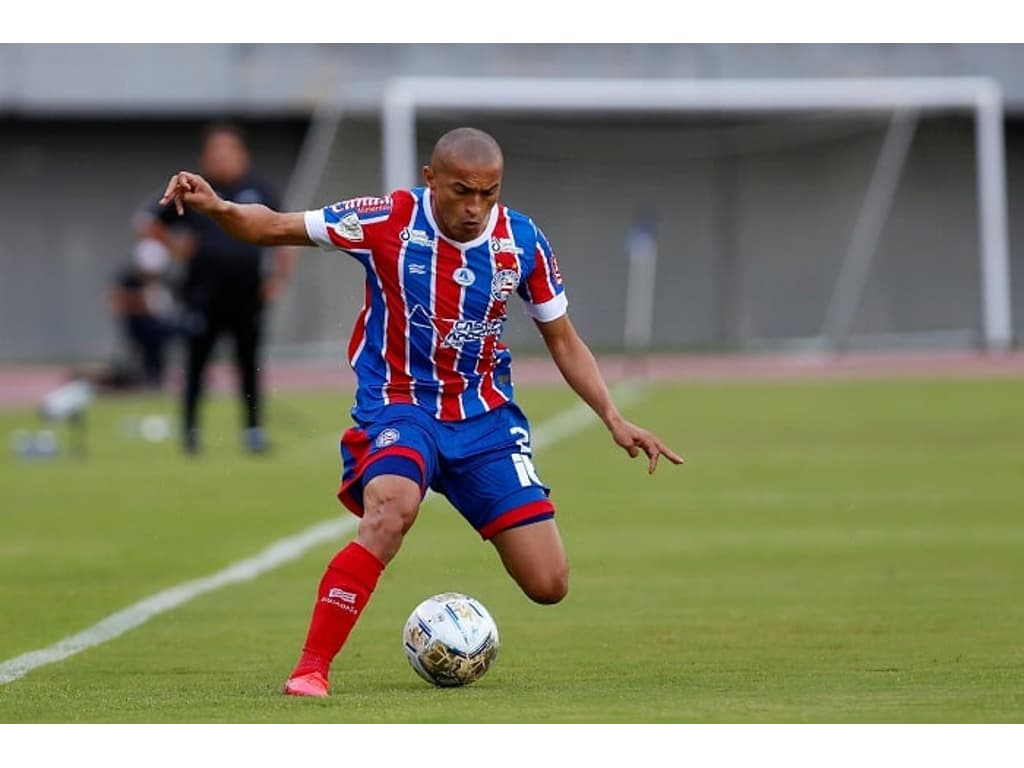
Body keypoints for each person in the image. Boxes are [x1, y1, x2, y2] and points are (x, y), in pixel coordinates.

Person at [158, 126, 684, 697]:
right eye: (462, 191)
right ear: (432, 180)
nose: (475, 207)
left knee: (549, 582)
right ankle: (311, 669)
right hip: (401, 405)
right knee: (389, 510)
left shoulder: (522, 241)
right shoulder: (387, 219)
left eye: (489, 193)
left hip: (485, 420)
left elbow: (562, 339)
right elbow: (275, 226)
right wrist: (218, 208)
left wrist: (611, 415)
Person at [139, 121, 296, 454]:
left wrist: (277, 279)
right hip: (203, 295)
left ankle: (253, 431)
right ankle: (191, 431)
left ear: (243, 155)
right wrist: (175, 246)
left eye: (230, 151)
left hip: (247, 295)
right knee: (196, 364)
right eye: (217, 152)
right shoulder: (194, 191)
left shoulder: (259, 190)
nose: (224, 158)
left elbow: (284, 233)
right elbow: (146, 222)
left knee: (249, 364)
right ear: (205, 157)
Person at [106, 237, 178, 390]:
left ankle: (158, 376)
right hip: (137, 325)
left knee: (182, 329)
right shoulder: (128, 279)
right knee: (153, 335)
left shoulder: (162, 279)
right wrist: (142, 302)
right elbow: (114, 302)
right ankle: (150, 376)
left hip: (159, 325)